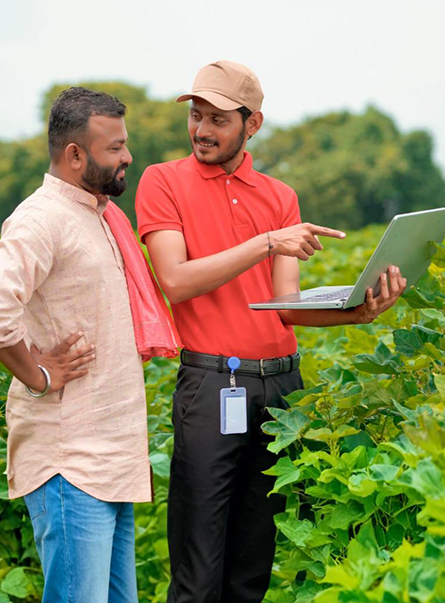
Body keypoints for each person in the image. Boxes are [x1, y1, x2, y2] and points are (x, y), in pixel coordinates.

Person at [135, 60, 406, 603]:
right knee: (198, 571)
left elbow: (284, 307)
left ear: (252, 123)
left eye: (218, 119)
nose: (201, 130)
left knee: (252, 569)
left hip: (282, 390)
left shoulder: (279, 195)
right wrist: (266, 242)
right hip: (213, 386)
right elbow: (177, 281)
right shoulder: (163, 181)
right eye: (196, 115)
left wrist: (357, 311)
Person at [0, 87, 178, 603]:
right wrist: (38, 374)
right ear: (75, 154)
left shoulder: (99, 215)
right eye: (115, 147)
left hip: (112, 458)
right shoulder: (40, 220)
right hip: (70, 462)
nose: (128, 156)